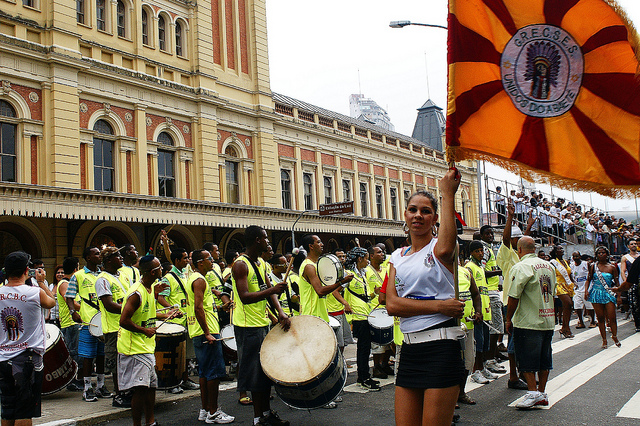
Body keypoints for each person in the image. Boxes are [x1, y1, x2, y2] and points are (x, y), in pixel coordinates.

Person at [386, 169, 466, 426]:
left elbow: (445, 245)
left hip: (441, 349)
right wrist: (440, 306)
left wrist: (447, 193)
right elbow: (392, 305)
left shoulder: (441, 249)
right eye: (412, 209)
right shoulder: (396, 257)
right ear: (405, 214)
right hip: (409, 350)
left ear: (435, 218)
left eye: (425, 211)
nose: (418, 215)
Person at [231, 226, 290, 426]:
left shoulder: (262, 263)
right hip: (248, 327)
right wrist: (273, 289)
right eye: (265, 238)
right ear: (257, 240)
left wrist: (280, 312)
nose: (268, 242)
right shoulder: (240, 264)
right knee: (255, 375)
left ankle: (266, 413)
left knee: (266, 373)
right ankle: (258, 419)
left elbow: (268, 290)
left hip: (263, 324)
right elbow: (245, 297)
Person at [118, 256, 177, 426]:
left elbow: (148, 313)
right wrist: (144, 330)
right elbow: (123, 320)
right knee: (141, 389)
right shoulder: (136, 293)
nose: (162, 270)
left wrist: (167, 314)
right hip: (134, 348)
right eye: (159, 268)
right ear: (153, 272)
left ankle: (150, 422)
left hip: (146, 346)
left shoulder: (150, 288)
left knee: (151, 387)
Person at [0, 251, 55, 426]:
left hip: (3, 358)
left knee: (8, 410)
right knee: (24, 410)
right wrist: (41, 282)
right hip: (27, 360)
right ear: (26, 271)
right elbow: (52, 302)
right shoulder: (35, 293)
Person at [505, 236, 556, 410]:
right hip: (547, 319)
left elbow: (514, 295)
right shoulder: (549, 266)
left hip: (528, 320)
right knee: (544, 359)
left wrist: (508, 318)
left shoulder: (521, 266)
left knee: (526, 360)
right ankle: (541, 392)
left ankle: (533, 392)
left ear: (519, 250)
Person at [188, 249, 234, 424]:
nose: (212, 261)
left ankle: (205, 409)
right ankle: (214, 412)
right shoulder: (199, 280)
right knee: (213, 373)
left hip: (200, 330)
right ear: (200, 262)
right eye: (209, 259)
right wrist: (207, 332)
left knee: (204, 372)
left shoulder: (196, 278)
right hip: (206, 331)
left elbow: (204, 306)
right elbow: (198, 308)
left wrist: (221, 307)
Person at [64, 246, 106, 403]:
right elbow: (69, 296)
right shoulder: (79, 276)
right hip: (87, 322)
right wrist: (72, 312)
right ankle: (87, 387)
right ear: (88, 257)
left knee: (102, 354)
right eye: (96, 254)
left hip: (104, 321)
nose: (99, 256)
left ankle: (101, 385)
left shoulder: (103, 275)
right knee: (88, 356)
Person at [156, 247, 200, 393]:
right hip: (174, 323)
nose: (187, 260)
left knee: (185, 354)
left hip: (186, 321)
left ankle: (185, 380)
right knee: (173, 356)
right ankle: (172, 383)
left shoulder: (184, 275)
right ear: (177, 261)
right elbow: (161, 297)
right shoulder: (168, 278)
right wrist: (173, 309)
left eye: (188, 257)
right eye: (185, 258)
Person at [495, 202, 529, 391]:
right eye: (518, 238)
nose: (520, 240)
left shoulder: (520, 255)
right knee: (515, 341)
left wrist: (528, 226)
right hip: (511, 302)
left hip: (523, 303)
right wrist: (509, 217)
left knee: (523, 339)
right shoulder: (507, 255)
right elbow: (507, 239)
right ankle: (514, 376)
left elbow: (521, 241)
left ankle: (524, 373)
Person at [344, 247, 381, 391]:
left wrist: (374, 294)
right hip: (358, 316)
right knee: (363, 349)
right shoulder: (349, 274)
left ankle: (364, 376)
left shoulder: (362, 274)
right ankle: (363, 378)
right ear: (359, 259)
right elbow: (335, 290)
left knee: (365, 349)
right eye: (366, 258)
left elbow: (364, 297)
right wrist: (346, 303)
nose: (367, 261)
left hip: (366, 313)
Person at [95, 246, 127, 405]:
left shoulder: (121, 276)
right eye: (117, 256)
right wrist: (129, 310)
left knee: (126, 362)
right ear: (108, 260)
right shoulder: (103, 279)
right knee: (116, 364)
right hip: (113, 328)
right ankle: (119, 395)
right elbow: (108, 304)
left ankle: (127, 392)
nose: (121, 258)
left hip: (125, 326)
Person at [297, 235, 350, 322]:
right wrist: (342, 282)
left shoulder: (317, 264)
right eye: (318, 242)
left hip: (321, 315)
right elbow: (320, 291)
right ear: (311, 246)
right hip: (312, 315)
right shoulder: (309, 266)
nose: (322, 244)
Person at [466, 240, 496, 384]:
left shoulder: (480, 267)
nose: (480, 253)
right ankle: (475, 371)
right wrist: (475, 310)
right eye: (477, 251)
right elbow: (472, 292)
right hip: (477, 311)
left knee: (484, 343)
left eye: (481, 251)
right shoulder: (469, 267)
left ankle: (482, 367)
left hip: (486, 309)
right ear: (471, 252)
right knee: (477, 343)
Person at [479, 225, 504, 373]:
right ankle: (489, 360)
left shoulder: (488, 248)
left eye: (491, 233)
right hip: (489, 293)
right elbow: (483, 271)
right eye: (487, 233)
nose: (490, 236)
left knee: (493, 328)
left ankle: (491, 357)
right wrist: (499, 271)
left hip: (493, 291)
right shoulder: (485, 250)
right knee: (495, 328)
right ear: (481, 235)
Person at [585, 246, 620, 349]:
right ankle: (604, 340)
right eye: (599, 253)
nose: (601, 254)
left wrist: (619, 296)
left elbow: (617, 283)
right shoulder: (593, 266)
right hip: (596, 293)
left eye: (603, 253)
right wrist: (586, 291)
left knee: (612, 317)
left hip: (608, 293)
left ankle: (614, 336)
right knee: (600, 318)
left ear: (607, 254)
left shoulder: (612, 267)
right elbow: (588, 279)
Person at [57, 257, 83, 392]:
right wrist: (86, 309)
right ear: (75, 269)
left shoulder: (70, 283)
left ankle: (78, 379)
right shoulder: (64, 283)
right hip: (70, 323)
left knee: (79, 353)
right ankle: (72, 381)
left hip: (75, 323)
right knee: (74, 353)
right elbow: (69, 301)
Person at [550, 245, 575, 338]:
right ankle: (566, 328)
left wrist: (573, 282)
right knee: (568, 303)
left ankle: (565, 327)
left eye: (562, 248)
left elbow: (569, 273)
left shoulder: (565, 262)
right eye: (559, 249)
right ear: (556, 252)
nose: (562, 250)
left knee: (568, 306)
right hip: (559, 285)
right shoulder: (553, 262)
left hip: (567, 285)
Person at [570, 251, 596, 329]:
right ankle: (581, 322)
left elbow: (591, 274)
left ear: (580, 256)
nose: (576, 258)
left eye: (577, 256)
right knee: (577, 305)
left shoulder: (585, 264)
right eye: (574, 257)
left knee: (589, 305)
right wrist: (573, 283)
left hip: (586, 287)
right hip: (577, 288)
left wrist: (589, 287)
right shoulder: (571, 265)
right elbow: (570, 274)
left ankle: (593, 321)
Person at [621, 239, 640, 328]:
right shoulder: (625, 257)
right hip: (632, 282)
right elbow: (623, 271)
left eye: (635, 244)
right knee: (634, 303)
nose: (633, 245)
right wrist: (626, 282)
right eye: (631, 244)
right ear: (628, 246)